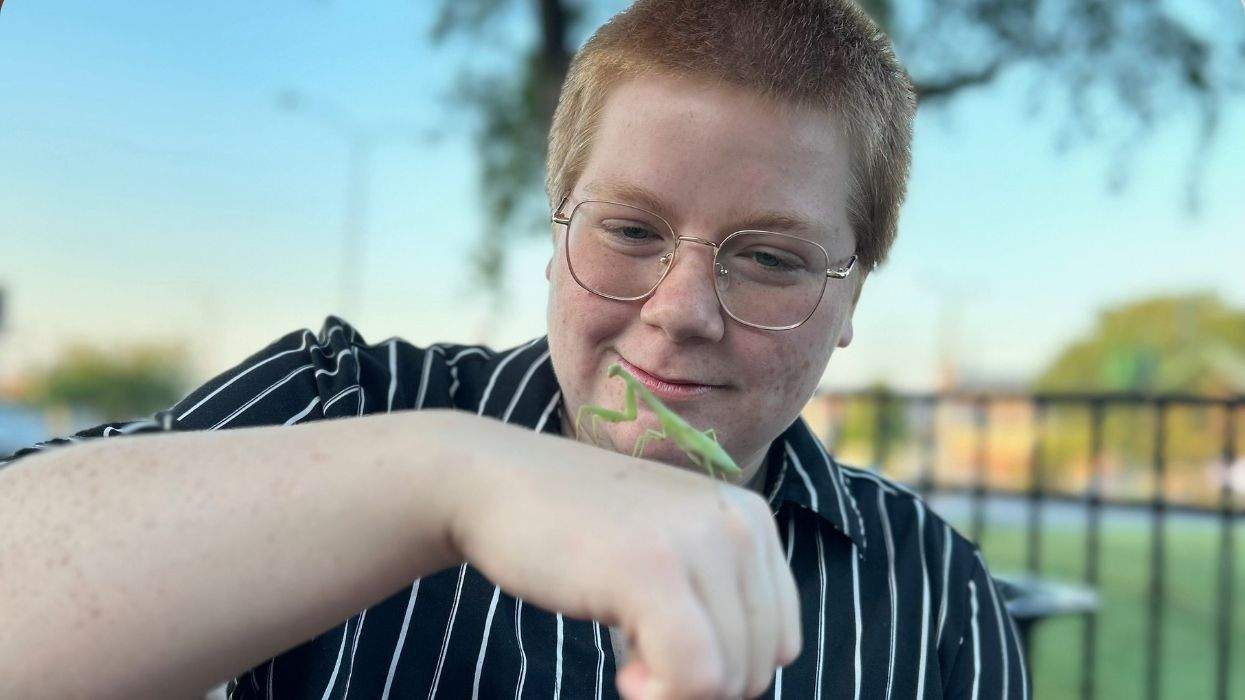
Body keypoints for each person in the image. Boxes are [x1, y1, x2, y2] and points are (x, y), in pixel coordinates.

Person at [0, 0, 1029, 698]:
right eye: (630, 232)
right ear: (555, 236)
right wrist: (449, 481)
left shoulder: (937, 597)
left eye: (768, 258)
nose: (680, 310)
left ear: (851, 300)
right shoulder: (347, 400)